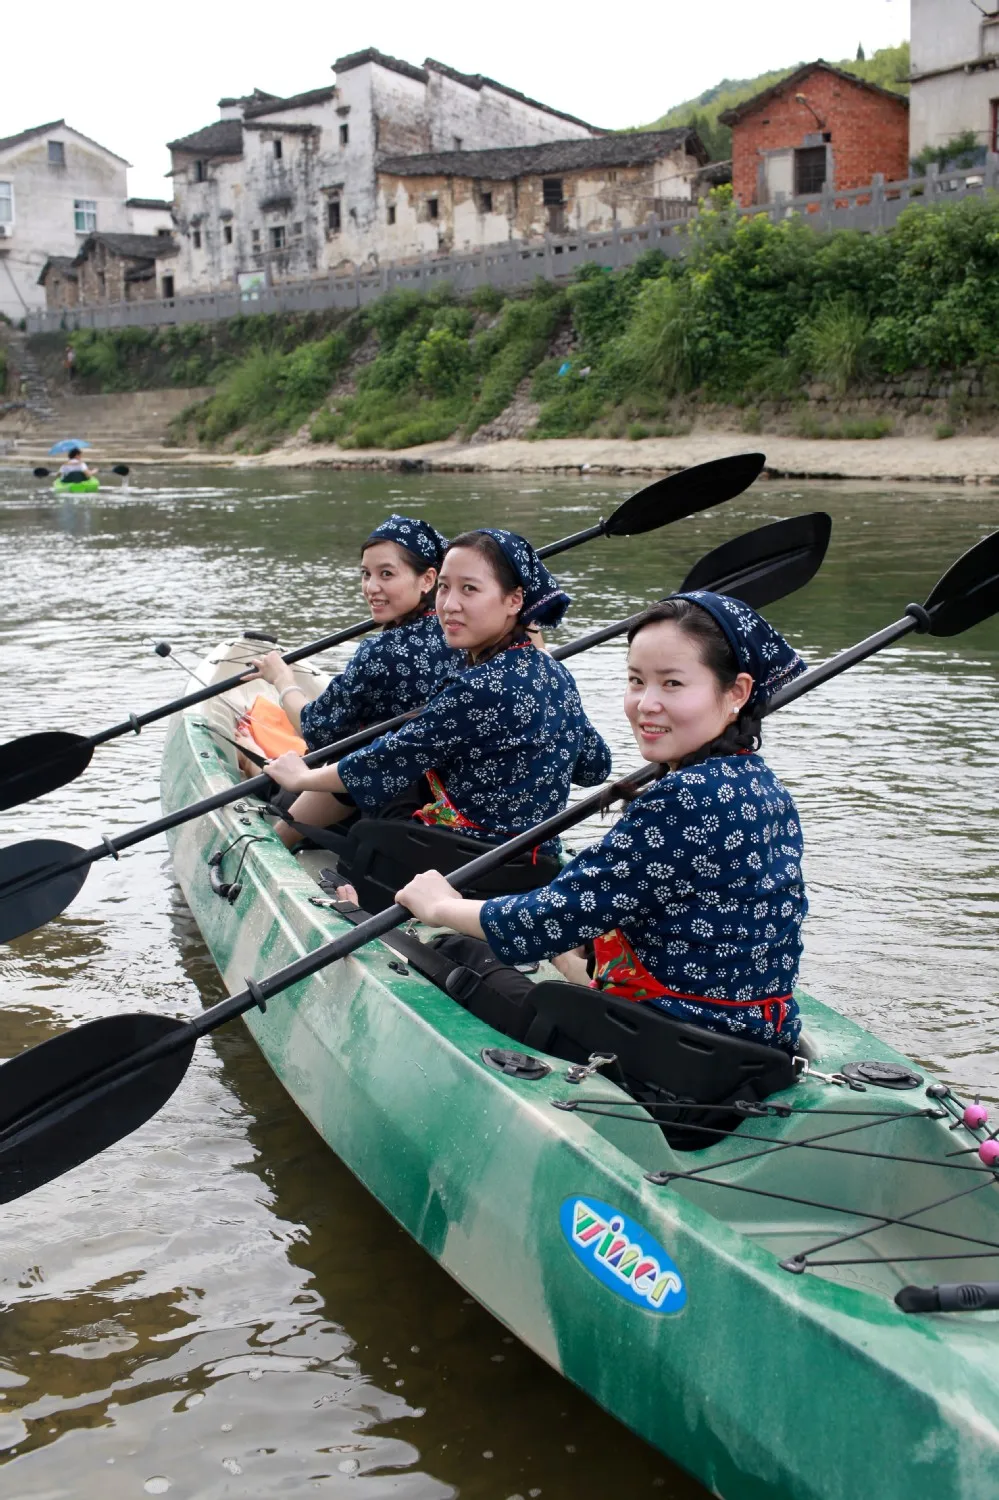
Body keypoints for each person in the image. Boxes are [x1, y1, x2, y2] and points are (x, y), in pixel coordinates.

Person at [395, 590, 808, 1054]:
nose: (646, 704)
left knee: (458, 950)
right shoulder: (761, 784)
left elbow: (546, 920)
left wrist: (438, 908)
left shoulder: (686, 796)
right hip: (750, 1036)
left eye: (672, 684)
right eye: (636, 681)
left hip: (662, 1049)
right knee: (567, 951)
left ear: (737, 692)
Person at [263, 528, 612, 861]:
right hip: (537, 859)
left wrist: (302, 777)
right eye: (445, 588)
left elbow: (385, 761)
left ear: (514, 600)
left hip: (461, 857)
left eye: (470, 590)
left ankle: (279, 843)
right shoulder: (555, 673)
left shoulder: (477, 685)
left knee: (372, 798)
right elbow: (595, 768)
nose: (449, 605)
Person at [244, 514, 460, 758]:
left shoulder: (379, 652)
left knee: (269, 762)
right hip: (425, 774)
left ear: (428, 579)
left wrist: (282, 679)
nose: (371, 587)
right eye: (366, 574)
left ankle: (253, 760)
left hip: (377, 782)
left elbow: (315, 731)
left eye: (386, 574)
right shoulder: (461, 630)